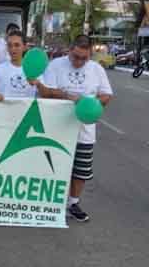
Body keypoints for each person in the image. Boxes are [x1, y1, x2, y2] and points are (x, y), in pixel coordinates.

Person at [35, 35, 113, 222]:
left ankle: (73, 203)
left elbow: (107, 95)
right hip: (57, 128)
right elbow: (45, 92)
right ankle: (50, 203)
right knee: (53, 166)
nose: (78, 61)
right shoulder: (56, 65)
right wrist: (67, 96)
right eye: (75, 56)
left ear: (90, 55)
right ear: (70, 50)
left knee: (80, 170)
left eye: (83, 58)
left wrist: (90, 102)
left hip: (84, 130)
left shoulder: (97, 69)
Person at [0, 30, 35, 100]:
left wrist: (39, 85)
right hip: (4, 111)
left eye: (17, 45)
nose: (13, 49)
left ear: (25, 47)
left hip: (28, 111)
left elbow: (46, 95)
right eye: (10, 45)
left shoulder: (34, 70)